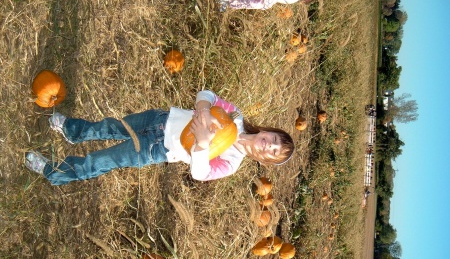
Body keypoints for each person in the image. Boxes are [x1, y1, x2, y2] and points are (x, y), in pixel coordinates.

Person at [25, 90, 294, 185]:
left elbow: (200, 174)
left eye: (273, 152)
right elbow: (207, 94)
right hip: (159, 119)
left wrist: (201, 144)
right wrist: (202, 109)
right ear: (269, 131)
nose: (269, 145)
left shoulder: (231, 162)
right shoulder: (236, 116)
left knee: (101, 161)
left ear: (264, 160)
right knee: (110, 126)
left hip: (155, 149)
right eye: (275, 140)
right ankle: (74, 131)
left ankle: (54, 172)